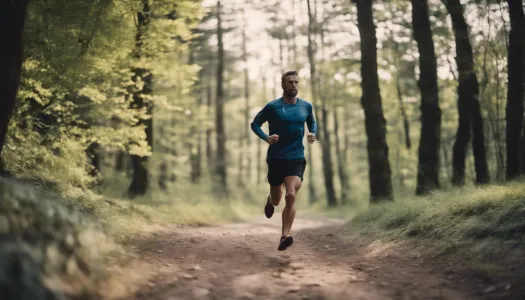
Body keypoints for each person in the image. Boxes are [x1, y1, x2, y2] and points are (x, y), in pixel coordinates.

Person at [250, 70, 317, 251]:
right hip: (276, 158)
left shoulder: (306, 106)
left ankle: (284, 236)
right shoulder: (273, 107)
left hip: (296, 158)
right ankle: (270, 199)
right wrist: (266, 137)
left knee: (291, 194)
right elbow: (255, 123)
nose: (294, 85)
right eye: (290, 82)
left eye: (296, 82)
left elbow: (312, 122)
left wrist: (313, 134)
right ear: (283, 85)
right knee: (278, 199)